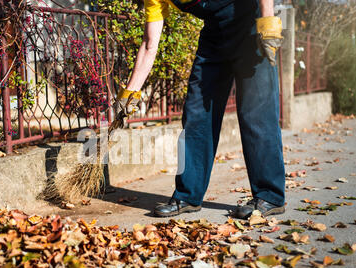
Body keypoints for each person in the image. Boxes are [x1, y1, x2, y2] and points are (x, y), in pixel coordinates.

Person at [112, 0, 286, 219]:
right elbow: (149, 43)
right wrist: (130, 93)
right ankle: (187, 196)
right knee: (196, 115)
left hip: (251, 26)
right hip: (214, 35)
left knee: (255, 113)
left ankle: (270, 195)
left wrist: (267, 20)